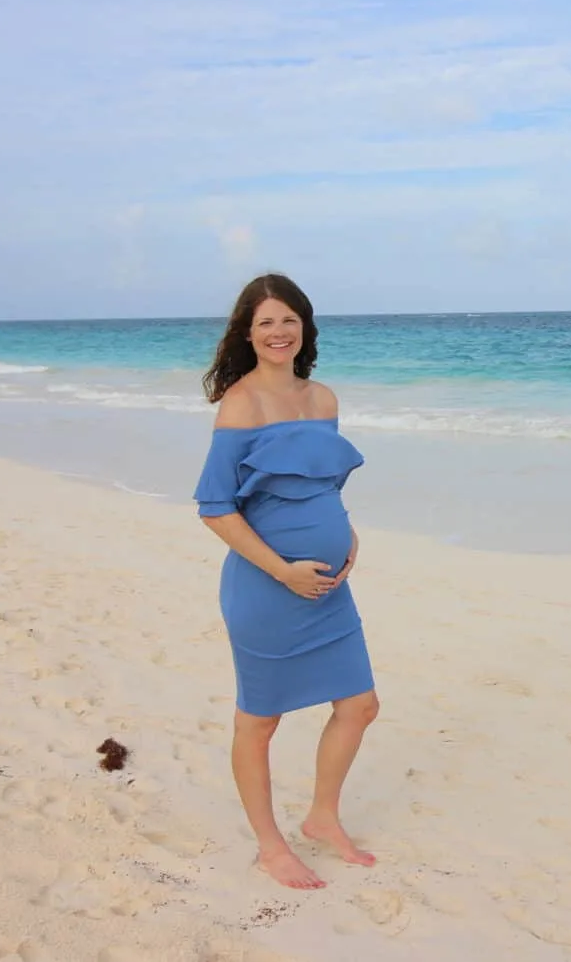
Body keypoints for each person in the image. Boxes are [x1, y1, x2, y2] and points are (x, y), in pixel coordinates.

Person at [193, 272, 379, 890]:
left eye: (289, 319)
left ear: (305, 327)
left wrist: (345, 533)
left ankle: (323, 818)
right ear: (248, 333)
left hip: (328, 586)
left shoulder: (322, 399)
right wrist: (282, 570)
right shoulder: (240, 404)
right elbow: (216, 506)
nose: (279, 331)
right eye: (267, 321)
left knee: (359, 705)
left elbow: (321, 482)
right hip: (266, 588)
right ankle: (271, 847)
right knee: (260, 721)